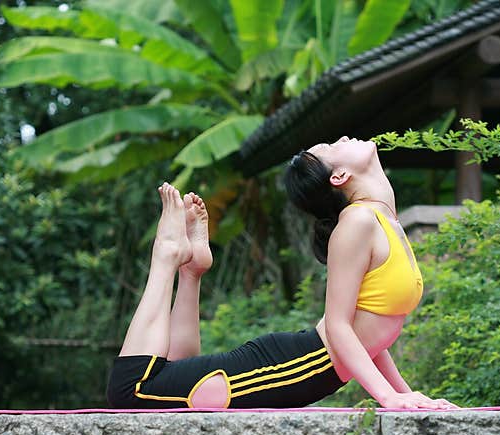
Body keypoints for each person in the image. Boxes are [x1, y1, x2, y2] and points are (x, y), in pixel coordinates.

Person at [106, 136, 458, 410]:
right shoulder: (358, 222)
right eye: (333, 147)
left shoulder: (383, 222)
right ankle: (166, 256)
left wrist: (407, 394)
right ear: (339, 176)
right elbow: (338, 326)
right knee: (134, 390)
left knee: (176, 372)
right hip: (296, 366)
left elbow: (371, 336)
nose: (344, 140)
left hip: (300, 363)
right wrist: (388, 398)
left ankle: (191, 271)